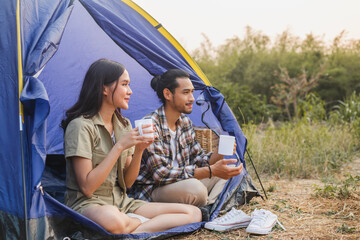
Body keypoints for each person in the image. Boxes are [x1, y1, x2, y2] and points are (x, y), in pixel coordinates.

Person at [61, 59, 201, 234]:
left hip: (122, 202)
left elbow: (127, 183)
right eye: (124, 84)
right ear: (104, 88)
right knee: (113, 220)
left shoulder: (123, 125)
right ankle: (143, 225)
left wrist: (140, 150)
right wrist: (119, 146)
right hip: (89, 204)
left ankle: (133, 229)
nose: (130, 91)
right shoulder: (81, 126)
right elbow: (87, 188)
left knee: (193, 213)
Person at [129, 69, 243, 208]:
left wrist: (219, 153)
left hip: (183, 182)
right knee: (196, 189)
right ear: (167, 94)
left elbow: (200, 160)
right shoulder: (150, 125)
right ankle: (208, 206)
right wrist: (210, 171)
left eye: (192, 92)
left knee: (232, 172)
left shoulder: (184, 122)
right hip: (155, 189)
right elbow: (161, 174)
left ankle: (208, 209)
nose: (192, 98)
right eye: (185, 92)